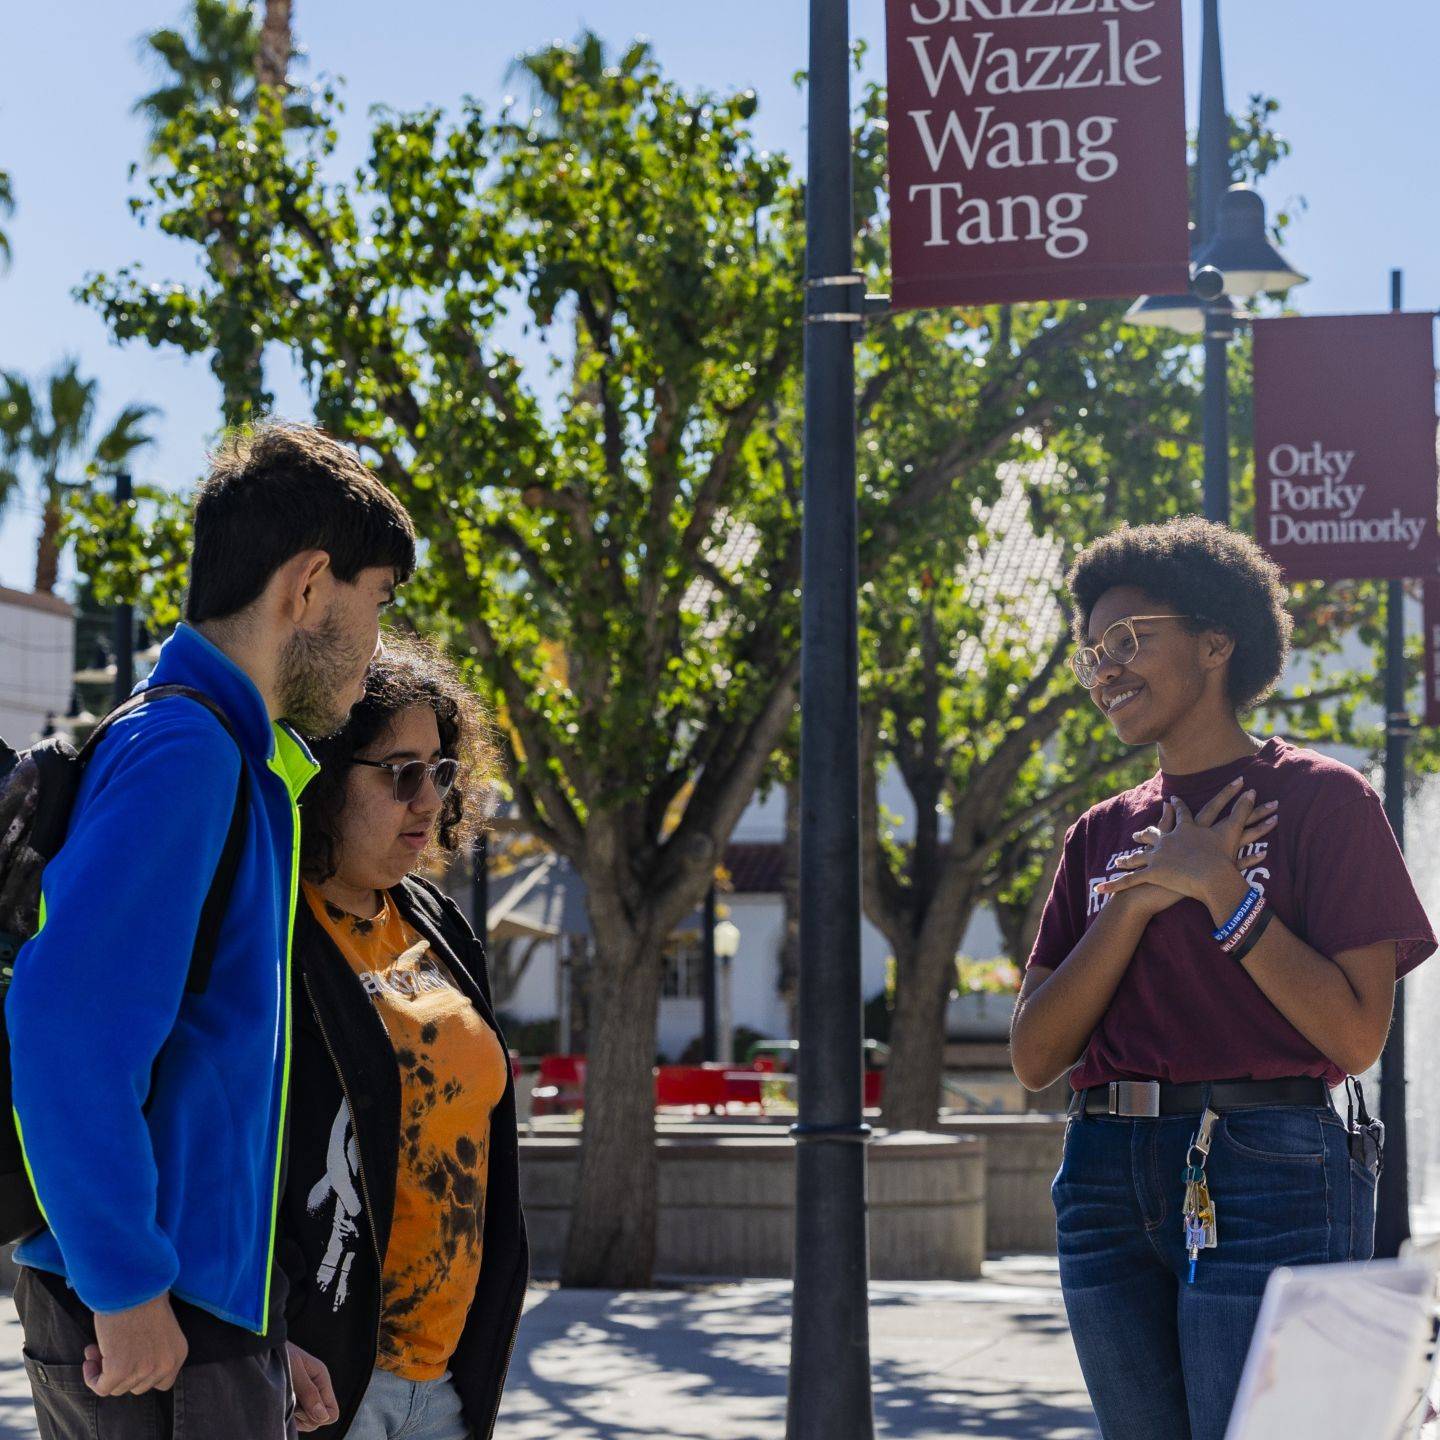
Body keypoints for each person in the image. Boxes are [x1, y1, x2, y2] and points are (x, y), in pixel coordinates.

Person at [7, 422, 417, 1439]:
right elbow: (65, 1033)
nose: (379, 649)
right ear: (310, 586)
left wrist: (268, 1327)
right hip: (150, 1327)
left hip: (195, 1316)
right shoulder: (186, 752)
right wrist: (128, 1284)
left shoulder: (222, 753)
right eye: (380, 605)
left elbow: (213, 1092)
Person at [1010, 517, 1436, 1440]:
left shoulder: (1328, 801)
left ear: (1216, 641)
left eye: (1127, 640)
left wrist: (1220, 891)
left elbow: (1357, 1036)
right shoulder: (1098, 835)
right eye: (1092, 655)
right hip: (1101, 1179)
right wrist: (1131, 904)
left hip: (1271, 1169)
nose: (1104, 669)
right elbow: (1037, 1054)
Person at [280, 634, 527, 1440]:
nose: (429, 800)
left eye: (441, 771)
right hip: (326, 1384)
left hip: (447, 1382)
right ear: (320, 775)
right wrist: (261, 1333)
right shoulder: (274, 933)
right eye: (400, 774)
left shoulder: (437, 920)